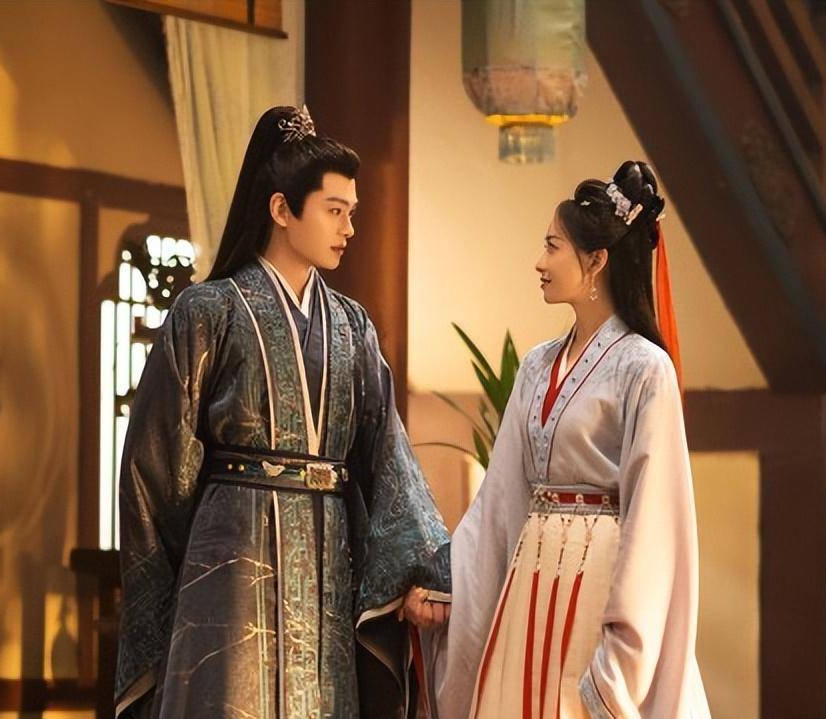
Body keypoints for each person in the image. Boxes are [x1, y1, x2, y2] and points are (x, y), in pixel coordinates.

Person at [115, 105, 451, 718]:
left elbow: (387, 456)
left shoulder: (352, 327)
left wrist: (427, 568)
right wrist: (176, 587)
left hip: (327, 567)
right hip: (227, 569)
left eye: (352, 212)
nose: (349, 228)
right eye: (334, 210)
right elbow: (156, 471)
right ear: (281, 209)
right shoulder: (207, 311)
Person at [434, 162, 711, 718]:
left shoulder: (644, 367)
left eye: (552, 246)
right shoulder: (537, 365)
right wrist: (445, 583)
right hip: (530, 584)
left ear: (596, 261)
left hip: (597, 585)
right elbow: (500, 499)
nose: (540, 262)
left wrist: (622, 655)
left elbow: (653, 517)